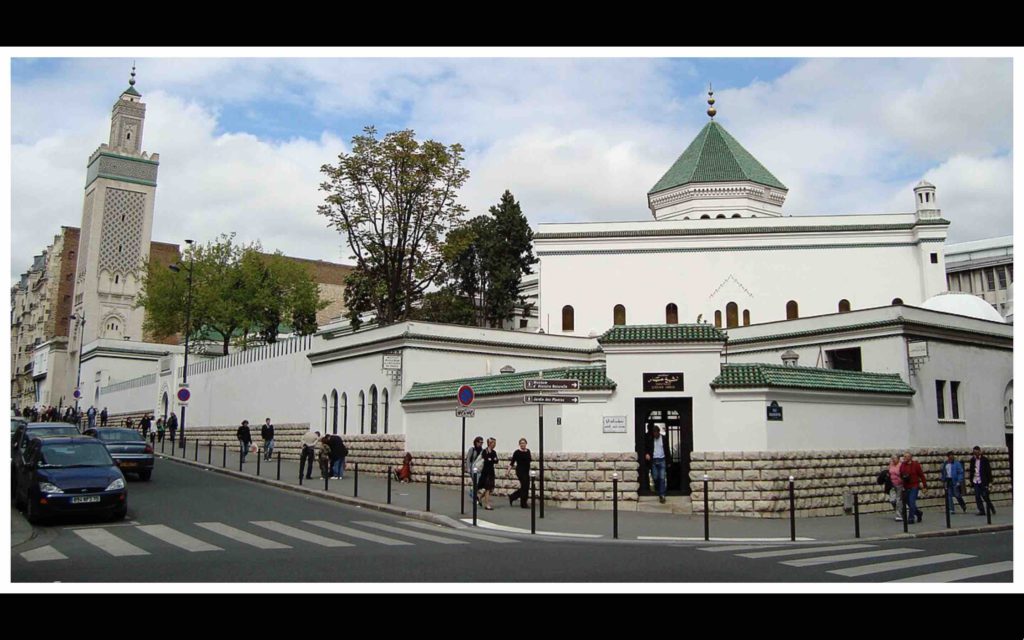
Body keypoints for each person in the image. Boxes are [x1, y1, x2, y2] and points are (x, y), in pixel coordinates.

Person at [644, 424, 670, 503]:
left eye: (656, 433)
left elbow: (667, 450)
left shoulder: (664, 439)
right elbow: (646, 447)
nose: (655, 435)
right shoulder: (651, 439)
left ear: (659, 432)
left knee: (662, 478)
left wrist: (669, 461)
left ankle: (662, 495)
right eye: (654, 433)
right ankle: (659, 489)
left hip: (662, 460)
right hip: (654, 461)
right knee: (655, 477)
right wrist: (646, 453)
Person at [899, 451, 926, 524]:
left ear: (910, 457)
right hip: (906, 486)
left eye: (906, 456)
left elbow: (921, 475)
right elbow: (900, 474)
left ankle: (911, 518)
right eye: (904, 456)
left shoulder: (916, 465)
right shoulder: (903, 465)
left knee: (911, 501)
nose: (904, 458)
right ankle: (918, 513)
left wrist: (924, 486)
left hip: (914, 486)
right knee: (908, 502)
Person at [968, 446, 996, 516]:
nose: (976, 454)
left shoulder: (984, 460)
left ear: (979, 452)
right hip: (975, 480)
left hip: (983, 480)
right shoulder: (972, 460)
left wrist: (990, 481)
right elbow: (971, 470)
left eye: (977, 453)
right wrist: (971, 480)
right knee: (977, 496)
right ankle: (981, 510)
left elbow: (988, 471)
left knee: (985, 496)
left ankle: (991, 507)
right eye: (974, 453)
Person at [507, 437, 532, 508]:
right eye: (521, 443)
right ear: (519, 444)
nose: (522, 445)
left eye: (523, 443)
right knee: (524, 486)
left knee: (526, 487)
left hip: (526, 471)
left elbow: (529, 461)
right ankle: (523, 503)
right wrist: (508, 471)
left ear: (526, 444)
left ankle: (513, 496)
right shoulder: (517, 452)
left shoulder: (528, 451)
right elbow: (512, 463)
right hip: (520, 471)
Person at [478, 438, 499, 510]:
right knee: (487, 488)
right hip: (485, 472)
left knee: (491, 489)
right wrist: (491, 459)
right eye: (494, 443)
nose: (495, 445)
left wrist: (491, 459)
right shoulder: (485, 451)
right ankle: (487, 505)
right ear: (489, 443)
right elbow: (486, 459)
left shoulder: (494, 452)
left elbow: (496, 461)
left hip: (491, 471)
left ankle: (480, 497)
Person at [465, 436, 485, 505]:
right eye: (480, 442)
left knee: (477, 483)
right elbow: (468, 459)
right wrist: (468, 468)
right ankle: (474, 496)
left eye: (482, 442)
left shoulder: (482, 451)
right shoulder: (472, 449)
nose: (481, 444)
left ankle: (473, 493)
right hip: (472, 468)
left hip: (478, 468)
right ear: (476, 442)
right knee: (476, 482)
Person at [886, 455, 904, 521]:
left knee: (898, 500)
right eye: (892, 458)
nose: (893, 460)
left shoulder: (901, 465)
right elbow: (889, 473)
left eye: (895, 458)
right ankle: (899, 510)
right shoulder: (891, 465)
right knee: (892, 500)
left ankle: (899, 516)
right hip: (892, 485)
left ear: (898, 459)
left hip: (900, 485)